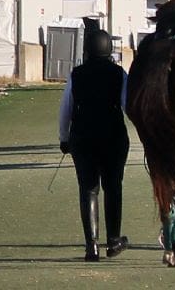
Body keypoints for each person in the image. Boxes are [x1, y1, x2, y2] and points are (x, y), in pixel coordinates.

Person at [58, 24, 130, 261]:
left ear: (87, 50)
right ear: (109, 50)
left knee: (88, 189)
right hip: (113, 136)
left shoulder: (76, 74)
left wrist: (64, 138)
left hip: (83, 136)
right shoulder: (119, 74)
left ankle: (92, 246)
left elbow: (66, 109)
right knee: (113, 186)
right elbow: (127, 105)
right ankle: (113, 241)